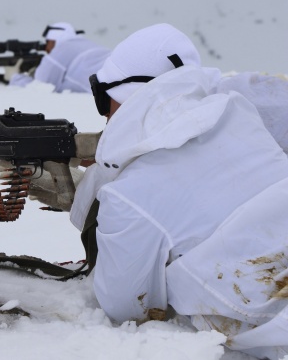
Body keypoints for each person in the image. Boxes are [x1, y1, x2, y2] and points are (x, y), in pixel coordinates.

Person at [68, 23, 288, 359]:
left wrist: (107, 197)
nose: (104, 114)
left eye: (102, 98)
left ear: (125, 94)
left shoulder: (131, 197)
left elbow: (124, 307)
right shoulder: (244, 121)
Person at [8, 22, 110, 93]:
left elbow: (41, 87)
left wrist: (14, 77)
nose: (46, 49)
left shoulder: (61, 49)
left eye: (47, 42)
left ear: (53, 40)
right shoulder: (88, 44)